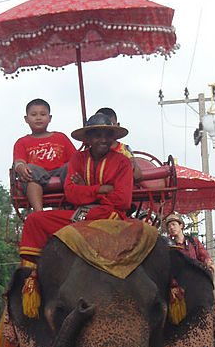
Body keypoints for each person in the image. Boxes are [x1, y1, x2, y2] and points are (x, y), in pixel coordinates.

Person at [19, 112, 134, 263]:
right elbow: (72, 194)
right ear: (88, 139)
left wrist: (86, 190)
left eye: (108, 135)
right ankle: (35, 272)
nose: (103, 140)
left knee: (95, 215)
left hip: (107, 214)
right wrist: (101, 189)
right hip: (81, 213)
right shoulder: (77, 159)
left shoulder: (123, 162)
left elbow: (123, 200)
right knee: (34, 219)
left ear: (113, 137)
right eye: (98, 135)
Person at [12, 98, 77, 211]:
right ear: (26, 119)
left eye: (42, 114)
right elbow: (19, 161)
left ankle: (74, 207)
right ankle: (39, 213)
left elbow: (76, 158)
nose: (38, 118)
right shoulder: (22, 142)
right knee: (30, 170)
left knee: (71, 167)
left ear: (49, 118)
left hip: (61, 176)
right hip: (37, 177)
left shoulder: (61, 137)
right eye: (34, 114)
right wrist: (20, 167)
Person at [96, 106, 143, 183]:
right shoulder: (90, 153)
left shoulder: (124, 149)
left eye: (111, 125)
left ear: (117, 125)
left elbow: (137, 175)